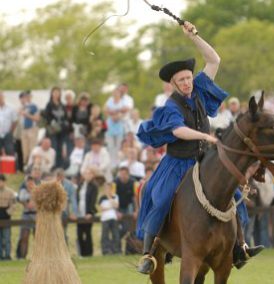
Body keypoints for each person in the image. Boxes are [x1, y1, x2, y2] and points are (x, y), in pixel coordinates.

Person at [136, 21, 262, 274]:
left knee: (235, 196)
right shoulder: (170, 107)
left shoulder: (200, 91)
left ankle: (240, 247)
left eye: (188, 77)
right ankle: (149, 253)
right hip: (177, 164)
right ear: (173, 84)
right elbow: (178, 131)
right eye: (180, 80)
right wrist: (207, 136)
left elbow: (214, 60)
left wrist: (193, 35)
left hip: (203, 161)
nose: (186, 82)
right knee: (159, 198)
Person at [43, 87, 69, 168]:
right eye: (55, 92)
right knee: (53, 147)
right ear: (52, 93)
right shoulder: (49, 104)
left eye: (58, 92)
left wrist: (64, 125)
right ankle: (52, 165)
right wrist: (56, 125)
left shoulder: (62, 105)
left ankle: (59, 166)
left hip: (62, 131)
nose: (56, 94)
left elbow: (65, 117)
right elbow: (47, 117)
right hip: (52, 130)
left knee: (60, 148)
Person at [76, 168, 98, 257]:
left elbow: (93, 200)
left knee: (88, 233)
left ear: (92, 175)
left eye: (89, 173)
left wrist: (90, 212)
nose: (87, 175)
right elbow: (77, 198)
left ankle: (89, 253)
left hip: (88, 212)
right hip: (80, 212)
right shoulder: (80, 185)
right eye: (86, 173)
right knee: (79, 233)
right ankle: (82, 253)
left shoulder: (94, 186)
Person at [115, 166, 136, 254]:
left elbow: (135, 197)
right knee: (119, 229)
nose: (122, 176)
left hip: (128, 206)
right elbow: (113, 197)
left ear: (128, 175)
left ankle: (129, 250)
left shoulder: (133, 183)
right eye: (121, 174)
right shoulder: (115, 183)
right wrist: (116, 211)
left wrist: (136, 210)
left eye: (124, 174)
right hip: (118, 207)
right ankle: (117, 249)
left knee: (129, 228)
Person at [16, 175, 37, 259]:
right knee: (24, 237)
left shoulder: (37, 190)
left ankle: (38, 256)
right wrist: (31, 195)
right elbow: (21, 198)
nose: (30, 183)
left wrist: (33, 192)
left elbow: (40, 199)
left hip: (36, 214)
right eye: (28, 181)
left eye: (31, 181)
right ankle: (22, 256)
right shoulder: (23, 190)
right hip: (26, 215)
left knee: (38, 237)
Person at [19, 90, 40, 165]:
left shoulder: (34, 106)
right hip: (24, 130)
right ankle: (25, 166)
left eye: (27, 96)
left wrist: (27, 115)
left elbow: (37, 118)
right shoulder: (22, 107)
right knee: (25, 150)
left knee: (32, 149)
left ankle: (32, 166)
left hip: (32, 129)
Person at [99, 182, 120, 255]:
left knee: (115, 235)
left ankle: (116, 250)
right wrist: (111, 206)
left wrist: (109, 197)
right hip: (105, 219)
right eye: (106, 188)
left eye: (108, 188)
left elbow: (116, 206)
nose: (107, 190)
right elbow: (101, 208)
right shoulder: (102, 198)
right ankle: (106, 251)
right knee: (105, 236)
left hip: (113, 218)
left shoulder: (115, 196)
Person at [0, 174, 16, 261]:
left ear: (4, 182)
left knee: (6, 237)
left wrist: (7, 213)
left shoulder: (10, 192)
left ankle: (7, 255)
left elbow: (13, 204)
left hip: (6, 217)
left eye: (1, 181)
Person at [0, 91, 18, 156]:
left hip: (7, 134)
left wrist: (10, 132)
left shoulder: (10, 107)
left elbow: (15, 121)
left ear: (3, 97)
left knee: (9, 151)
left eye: (1, 97)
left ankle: (10, 166)